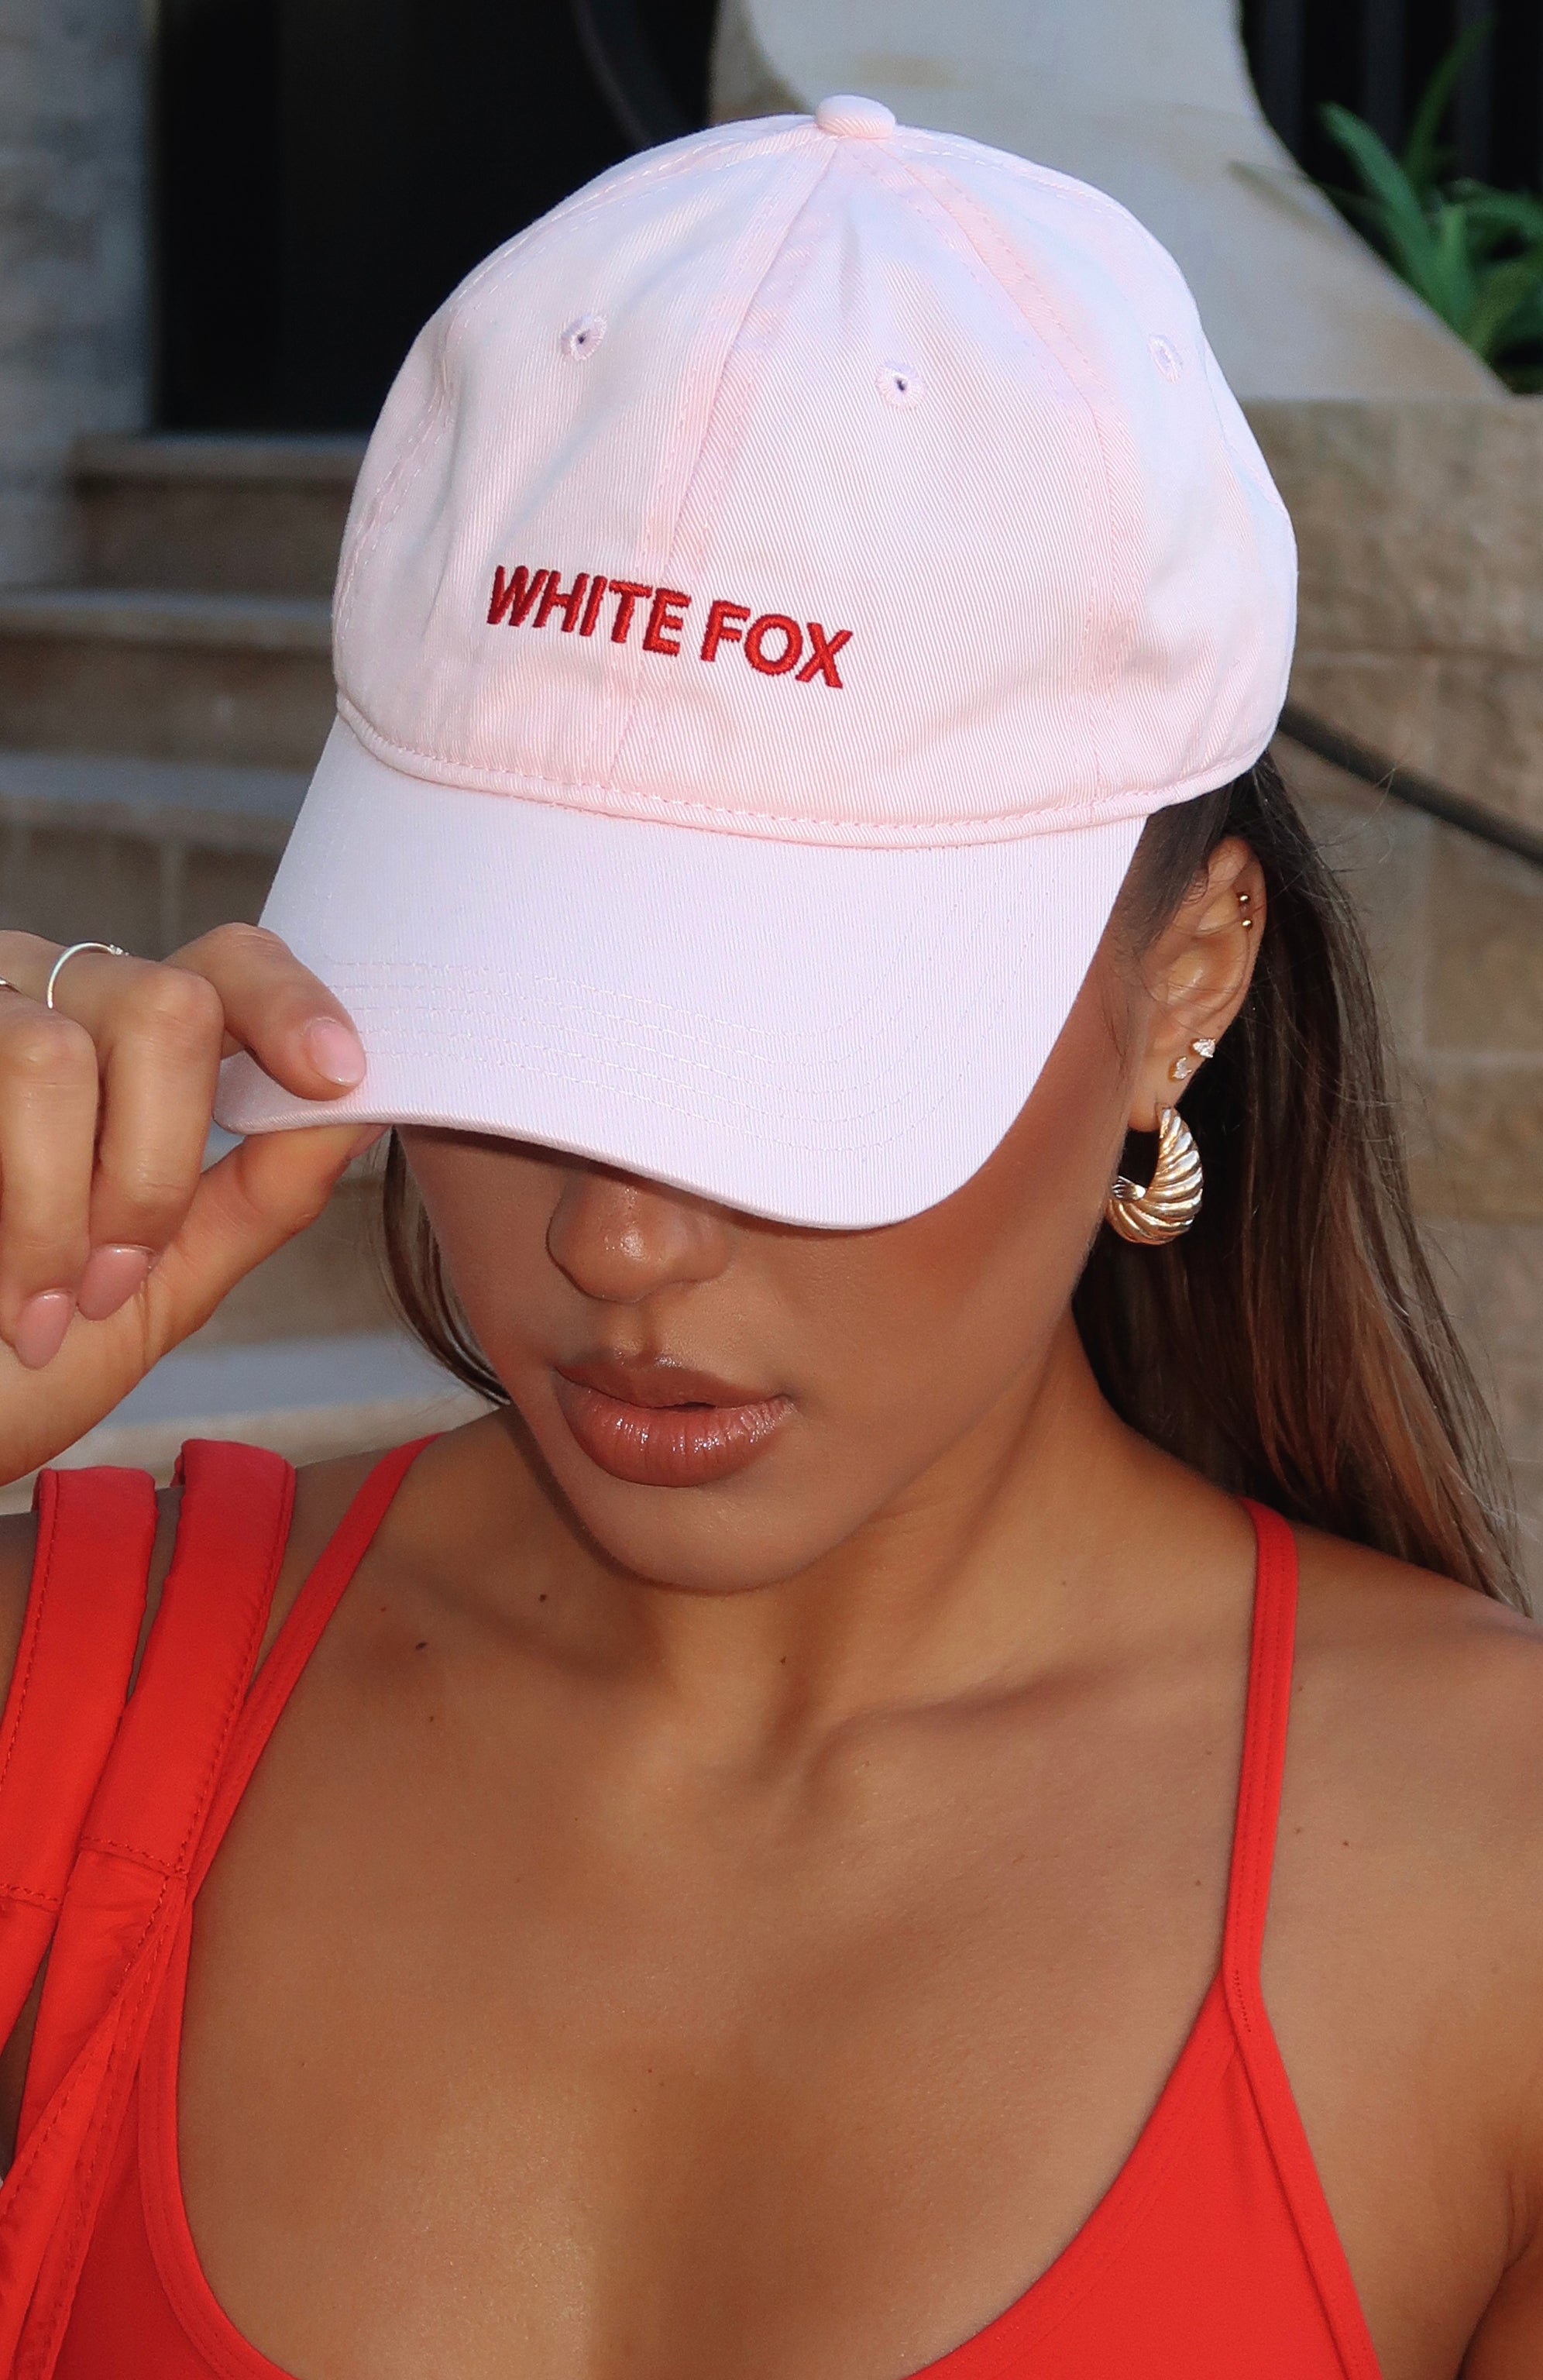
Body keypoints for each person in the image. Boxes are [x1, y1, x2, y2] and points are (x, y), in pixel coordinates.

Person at [0, 92, 1538, 2380]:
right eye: (526, 1013)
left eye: (794, 1058)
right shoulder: (68, 1699)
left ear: (1187, 984)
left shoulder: (1491, 1901)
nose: (622, 1241)